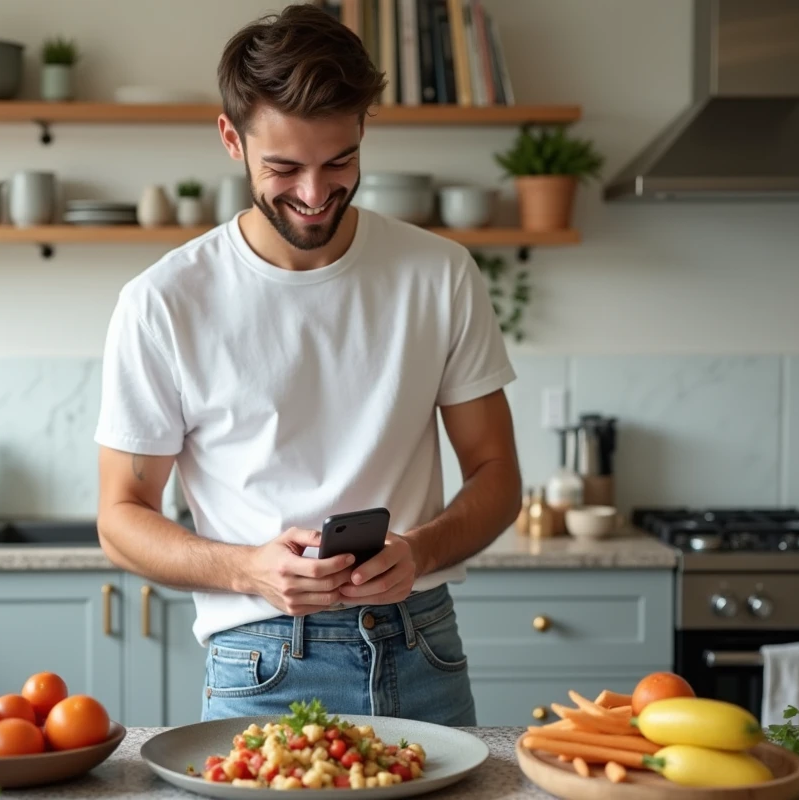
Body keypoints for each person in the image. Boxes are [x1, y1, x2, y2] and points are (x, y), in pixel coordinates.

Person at [94, 3, 521, 726]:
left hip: (424, 643)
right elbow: (120, 518)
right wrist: (247, 568)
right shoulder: (165, 301)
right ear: (231, 139)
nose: (315, 194)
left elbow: (498, 476)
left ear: (362, 131)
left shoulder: (439, 274)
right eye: (284, 167)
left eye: (340, 161)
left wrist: (417, 550)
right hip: (260, 661)